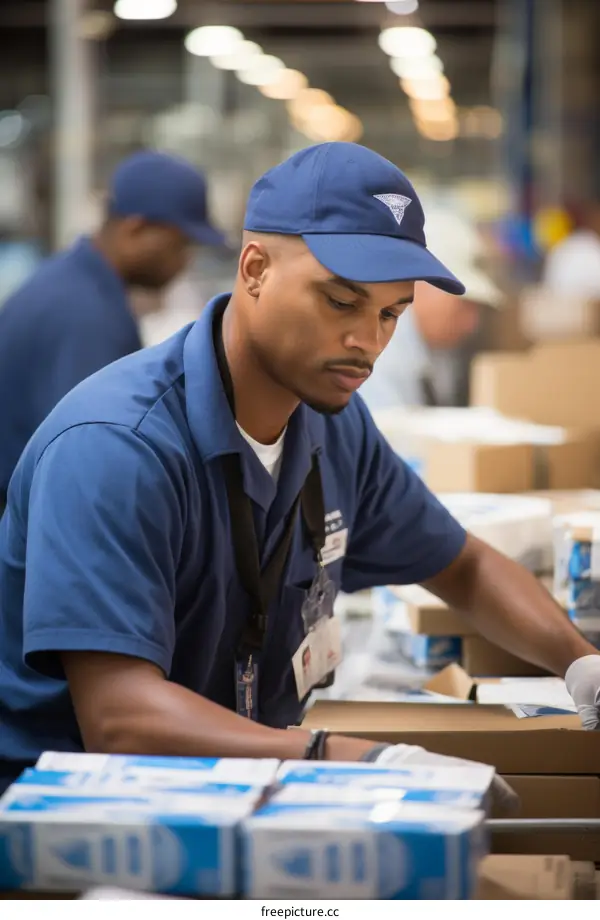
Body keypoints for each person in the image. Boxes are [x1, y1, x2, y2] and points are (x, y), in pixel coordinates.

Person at [0, 142, 598, 798]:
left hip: (240, 779)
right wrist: (344, 756)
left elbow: (466, 566)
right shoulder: (117, 448)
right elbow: (122, 719)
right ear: (254, 269)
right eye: (341, 302)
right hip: (80, 816)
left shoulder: (334, 426)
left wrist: (580, 662)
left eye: (392, 313)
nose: (368, 341)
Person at [0, 150, 225, 509]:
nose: (185, 260)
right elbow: (90, 457)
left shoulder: (72, 282)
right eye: (179, 244)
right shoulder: (84, 315)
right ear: (135, 228)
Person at [359, 208, 503, 410]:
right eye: (463, 306)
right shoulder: (378, 354)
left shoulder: (439, 351)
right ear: (417, 283)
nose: (472, 324)